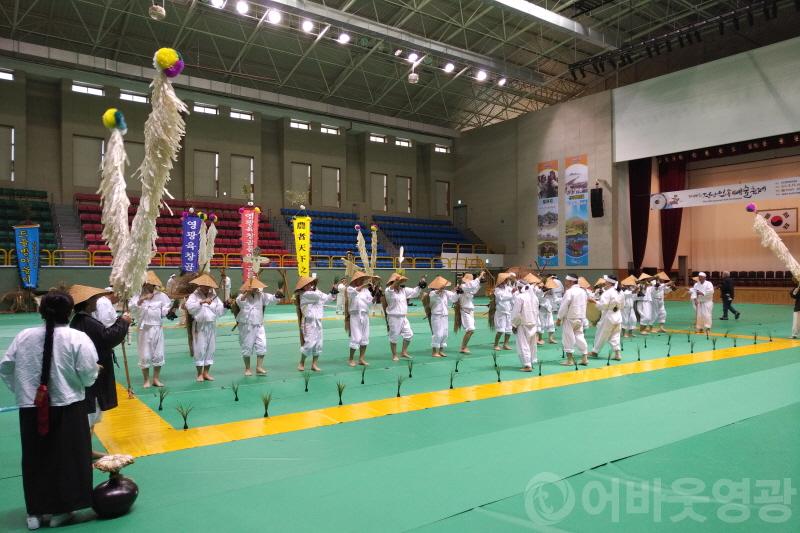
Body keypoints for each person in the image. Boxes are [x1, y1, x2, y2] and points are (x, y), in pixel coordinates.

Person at [1, 291, 100, 530]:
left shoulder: (24, 336)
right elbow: (88, 374)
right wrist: (90, 376)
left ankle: (35, 512)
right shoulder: (77, 338)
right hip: (68, 405)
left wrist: (24, 390)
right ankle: (62, 510)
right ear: (70, 312)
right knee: (68, 458)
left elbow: (6, 367)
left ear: (41, 312)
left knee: (36, 457)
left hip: (32, 407)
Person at [68, 285, 130, 434]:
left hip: (90, 370)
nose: (97, 302)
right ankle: (85, 445)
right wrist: (123, 322)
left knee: (92, 412)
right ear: (88, 303)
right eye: (94, 299)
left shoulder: (82, 320)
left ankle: (86, 443)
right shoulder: (86, 321)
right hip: (92, 371)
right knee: (90, 412)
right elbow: (107, 338)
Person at [129, 271, 172, 388]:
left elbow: (165, 310)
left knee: (158, 354)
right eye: (149, 284)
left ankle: (156, 379)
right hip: (144, 329)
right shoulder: (137, 295)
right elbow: (132, 309)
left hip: (157, 327)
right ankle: (146, 380)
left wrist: (170, 310)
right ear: (144, 284)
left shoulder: (161, 296)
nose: (151, 287)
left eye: (153, 285)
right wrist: (142, 299)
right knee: (145, 355)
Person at [235, 277, 282, 376]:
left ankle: (259, 367)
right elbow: (240, 302)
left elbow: (272, 298)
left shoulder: (261, 295)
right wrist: (247, 293)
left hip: (259, 325)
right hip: (246, 326)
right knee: (247, 346)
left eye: (256, 287)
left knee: (262, 345)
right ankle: (247, 368)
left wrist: (277, 294)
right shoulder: (241, 296)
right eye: (253, 287)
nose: (256, 289)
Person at [184, 274, 225, 382]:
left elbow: (220, 310)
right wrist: (201, 302)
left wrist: (221, 305)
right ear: (200, 285)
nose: (207, 288)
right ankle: (199, 374)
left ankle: (206, 373)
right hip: (200, 325)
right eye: (204, 286)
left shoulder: (214, 295)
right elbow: (189, 307)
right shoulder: (194, 295)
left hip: (211, 325)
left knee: (211, 348)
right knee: (200, 348)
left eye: (208, 286)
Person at [296, 276, 336, 372]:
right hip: (309, 322)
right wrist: (317, 290)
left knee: (318, 344)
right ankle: (301, 363)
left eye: (310, 284)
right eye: (307, 284)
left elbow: (327, 299)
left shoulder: (315, 292)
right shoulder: (304, 294)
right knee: (309, 343)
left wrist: (333, 291)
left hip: (318, 322)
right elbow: (318, 297)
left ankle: (314, 364)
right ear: (303, 287)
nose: (309, 285)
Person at [384, 272, 426, 361]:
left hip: (403, 317)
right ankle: (394, 355)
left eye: (400, 282)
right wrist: (396, 281)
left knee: (409, 334)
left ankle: (403, 352)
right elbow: (391, 289)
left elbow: (414, 292)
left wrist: (420, 285)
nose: (400, 283)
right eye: (398, 282)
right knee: (394, 336)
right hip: (393, 317)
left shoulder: (403, 290)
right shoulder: (388, 290)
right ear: (393, 282)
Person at [557, 274, 589, 367]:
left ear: (571, 281)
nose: (565, 282)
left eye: (566, 281)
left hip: (570, 318)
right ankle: (584, 358)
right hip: (580, 317)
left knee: (568, 338)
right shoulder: (583, 291)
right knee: (580, 336)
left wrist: (559, 318)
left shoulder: (569, 292)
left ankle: (569, 360)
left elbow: (564, 306)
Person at [589, 276, 624, 360]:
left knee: (602, 334)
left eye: (606, 282)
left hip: (609, 316)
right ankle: (617, 354)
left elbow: (603, 306)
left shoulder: (608, 293)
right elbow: (623, 305)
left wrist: (594, 301)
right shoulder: (620, 292)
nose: (605, 283)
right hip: (618, 315)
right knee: (615, 335)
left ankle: (595, 351)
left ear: (609, 283)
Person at [346, 271, 375, 367]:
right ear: (355, 280)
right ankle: (351, 359)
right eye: (360, 279)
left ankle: (361, 359)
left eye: (363, 279)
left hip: (365, 315)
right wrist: (364, 286)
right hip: (355, 316)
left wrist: (375, 296)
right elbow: (354, 293)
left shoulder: (366, 291)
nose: (362, 281)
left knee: (365, 337)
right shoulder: (350, 288)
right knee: (356, 337)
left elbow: (369, 303)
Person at [511, 275, 540, 372]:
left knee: (523, 344)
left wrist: (514, 325)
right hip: (533, 323)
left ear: (519, 288)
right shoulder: (534, 297)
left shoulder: (520, 297)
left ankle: (527, 365)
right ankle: (531, 361)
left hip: (523, 324)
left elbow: (516, 313)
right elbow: (537, 311)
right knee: (532, 344)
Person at [428, 276, 458, 357]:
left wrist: (457, 292)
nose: (444, 287)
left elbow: (454, 299)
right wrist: (439, 290)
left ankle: (441, 350)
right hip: (436, 316)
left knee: (445, 333)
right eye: (442, 286)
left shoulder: (446, 292)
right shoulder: (432, 293)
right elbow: (433, 296)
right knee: (438, 333)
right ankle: (434, 351)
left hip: (445, 315)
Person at [455, 271, 483, 354]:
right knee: (470, 329)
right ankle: (463, 347)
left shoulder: (468, 287)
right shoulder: (463, 286)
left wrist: (479, 282)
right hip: (465, 310)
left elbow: (474, 290)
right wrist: (480, 276)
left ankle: (464, 347)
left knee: (471, 330)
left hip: (470, 311)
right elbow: (472, 285)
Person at [492, 273, 515, 351]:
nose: (506, 281)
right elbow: (501, 297)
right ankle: (496, 345)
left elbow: (513, 296)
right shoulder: (497, 289)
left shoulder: (508, 288)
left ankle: (505, 344)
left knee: (509, 330)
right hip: (500, 312)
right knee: (500, 330)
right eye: (505, 280)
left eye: (507, 280)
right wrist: (511, 294)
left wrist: (514, 292)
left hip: (509, 311)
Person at [537, 278, 558, 345]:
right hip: (541, 308)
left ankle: (550, 338)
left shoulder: (551, 290)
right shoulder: (539, 290)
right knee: (541, 323)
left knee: (551, 323)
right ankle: (540, 339)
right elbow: (538, 298)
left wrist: (563, 300)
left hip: (549, 308)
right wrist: (544, 292)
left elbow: (555, 299)